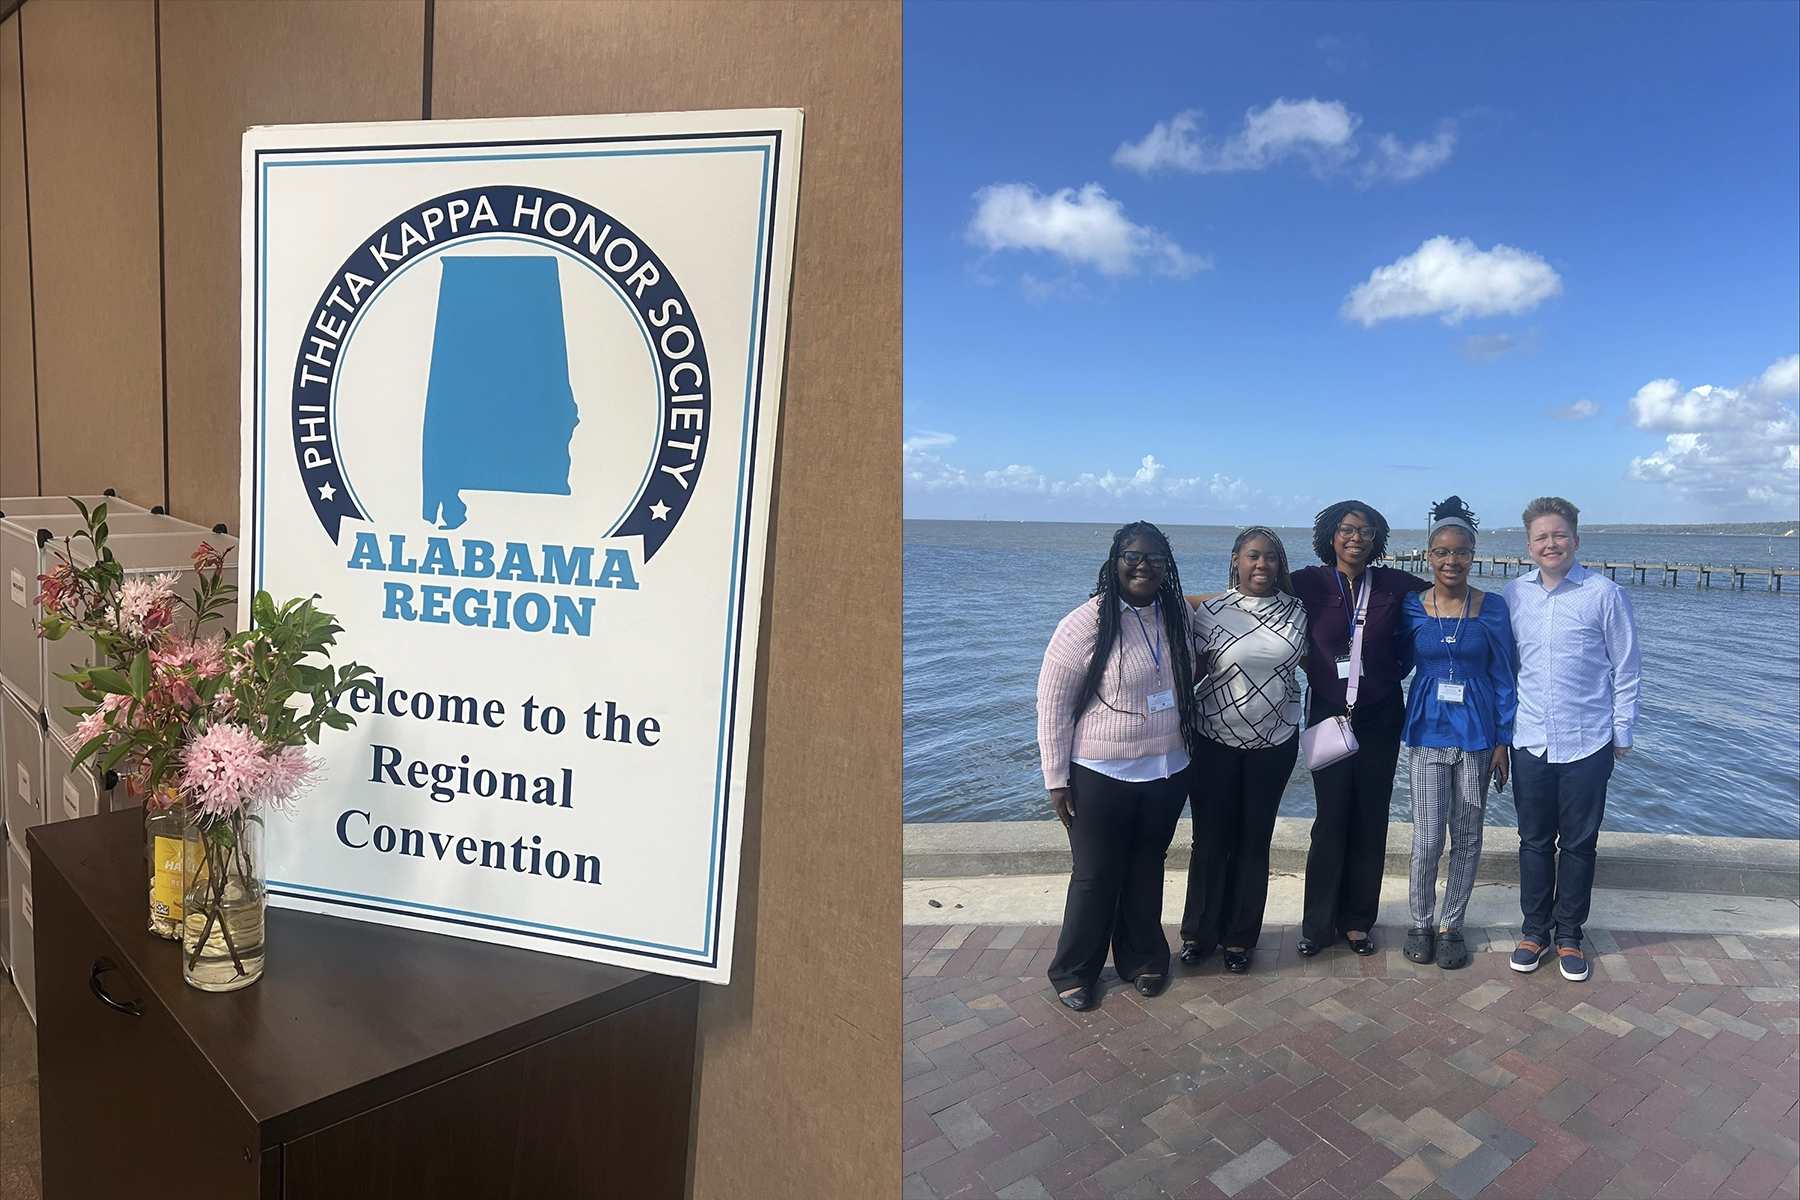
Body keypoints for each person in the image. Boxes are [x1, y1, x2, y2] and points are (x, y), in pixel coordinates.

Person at [1037, 521, 1200, 1011]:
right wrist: (1056, 779)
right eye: (1133, 557)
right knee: (1095, 874)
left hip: (1168, 768)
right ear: (1115, 562)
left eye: (1155, 558)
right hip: (1100, 771)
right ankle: (1073, 971)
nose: (1143, 566)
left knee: (1147, 868)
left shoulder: (1177, 614)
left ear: (1167, 567)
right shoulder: (1083, 623)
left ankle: (1143, 957)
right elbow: (1053, 705)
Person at [1503, 497, 1640, 982]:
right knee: (1534, 841)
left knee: (1580, 845)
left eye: (1559, 534)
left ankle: (1569, 935)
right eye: (1541, 537)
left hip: (1589, 741)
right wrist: (1501, 735)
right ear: (1529, 546)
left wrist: (1622, 730)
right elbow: (1508, 669)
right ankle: (1533, 931)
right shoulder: (1514, 595)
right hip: (1530, 740)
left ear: (1576, 540)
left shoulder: (1606, 594)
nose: (1551, 544)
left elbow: (1626, 667)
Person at [1290, 501, 1427, 957]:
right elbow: (1252, 592)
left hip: (1381, 713)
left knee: (1371, 816)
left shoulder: (1395, 583)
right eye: (1347, 529)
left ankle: (1357, 920)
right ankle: (1317, 924)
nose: (1356, 538)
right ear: (1330, 534)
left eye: (1366, 531)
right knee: (1331, 817)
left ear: (1377, 539)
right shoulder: (1307, 582)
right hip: (1328, 712)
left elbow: (1448, 597)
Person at [1178, 528, 1307, 975]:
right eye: (1253, 556)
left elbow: (1321, 662)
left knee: (1255, 840)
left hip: (1274, 743)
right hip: (1213, 739)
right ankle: (1198, 934)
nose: (1262, 565)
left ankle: (1240, 937)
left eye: (1271, 557)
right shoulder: (1211, 612)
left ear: (1280, 564)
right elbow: (1191, 671)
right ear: (1236, 559)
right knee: (1210, 840)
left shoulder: (1298, 612)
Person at [1397, 498, 1518, 970]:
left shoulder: (1493, 608)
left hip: (1479, 735)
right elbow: (1388, 658)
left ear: (1473, 555)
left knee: (1467, 834)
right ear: (1428, 555)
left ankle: (1451, 924)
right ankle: (1420, 921)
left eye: (1462, 552)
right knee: (1428, 836)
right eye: (1443, 552)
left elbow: (1505, 676)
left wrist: (1504, 741)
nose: (1452, 561)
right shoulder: (1412, 607)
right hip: (1427, 731)